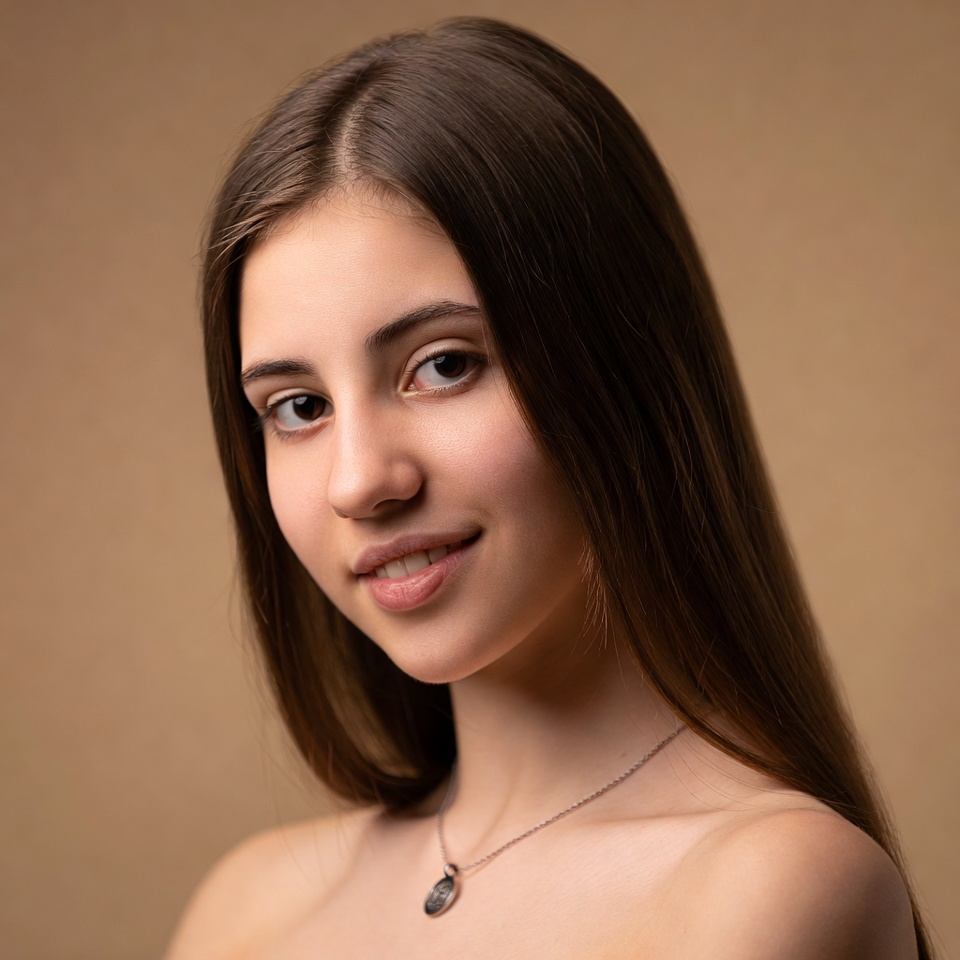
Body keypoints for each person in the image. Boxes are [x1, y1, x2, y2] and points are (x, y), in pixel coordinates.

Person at [166, 17, 932, 959]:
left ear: (624, 366)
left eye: (443, 365)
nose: (361, 481)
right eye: (296, 407)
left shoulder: (772, 888)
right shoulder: (246, 908)